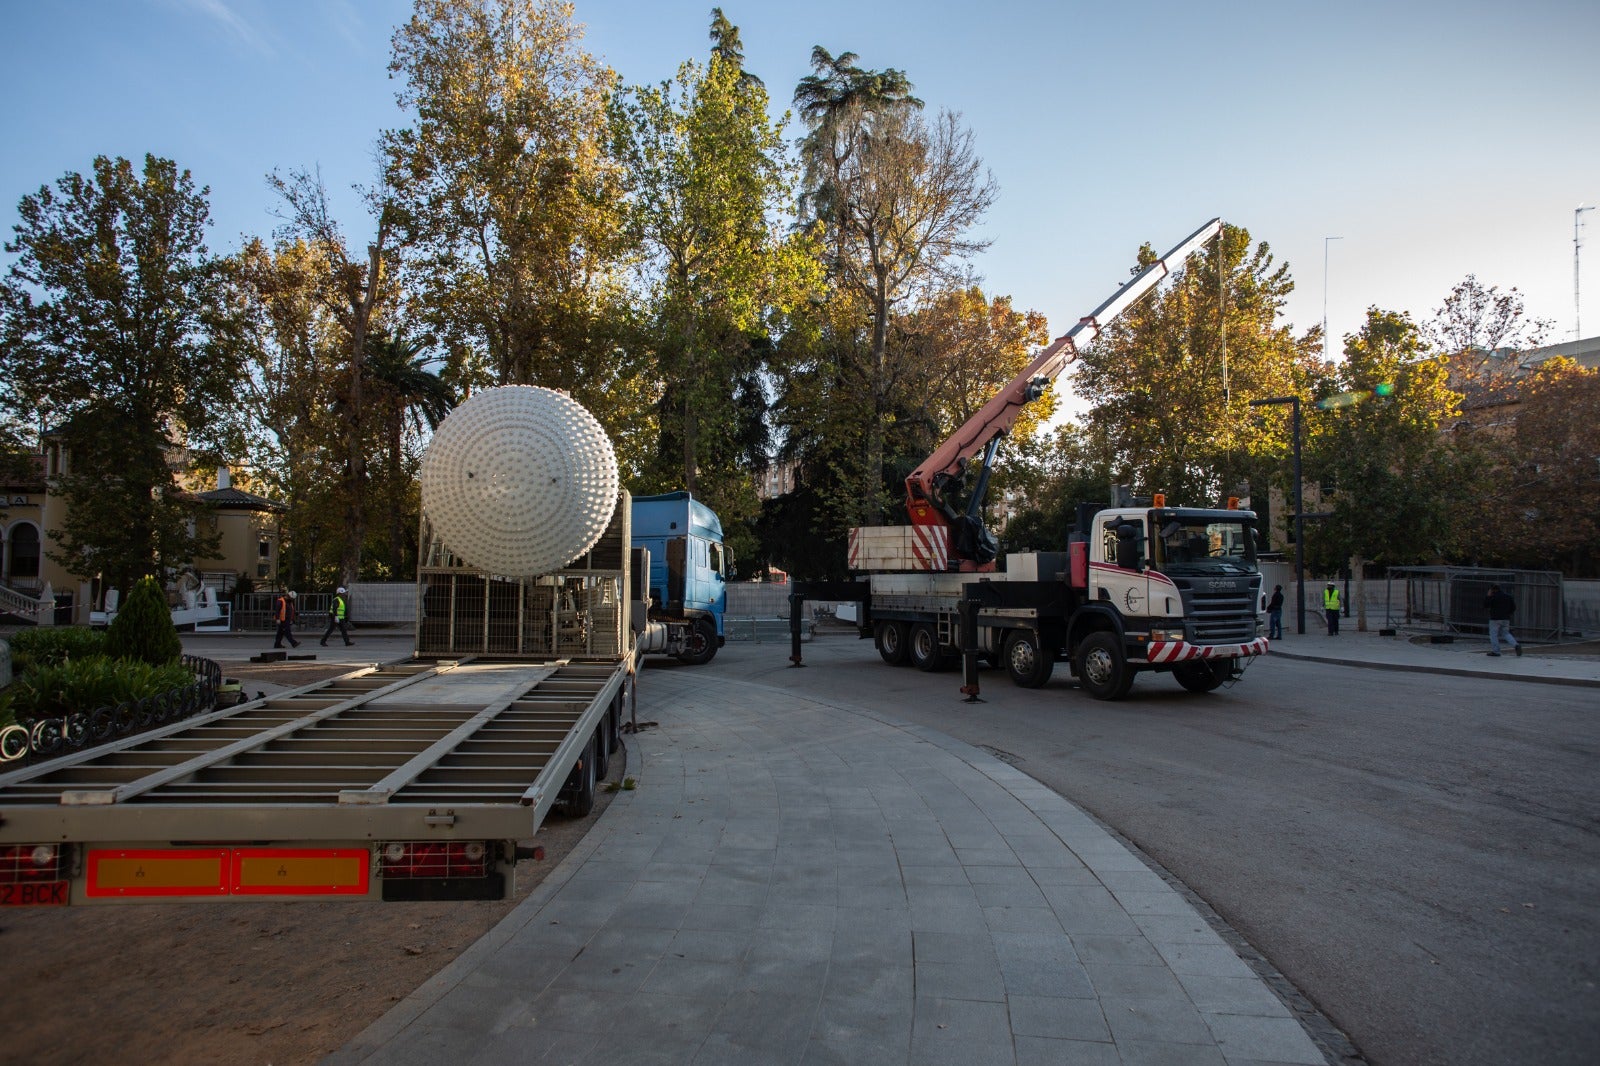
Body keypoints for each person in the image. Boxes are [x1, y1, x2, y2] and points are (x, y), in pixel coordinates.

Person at [1484, 583, 1521, 657]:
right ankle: (1516, 645)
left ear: (1492, 590)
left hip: (1495, 618)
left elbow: (1486, 605)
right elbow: (1513, 607)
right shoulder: (1508, 596)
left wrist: (1488, 596)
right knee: (1506, 633)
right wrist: (1508, 613)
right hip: (1505, 618)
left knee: (1493, 635)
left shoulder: (1493, 597)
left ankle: (1496, 651)